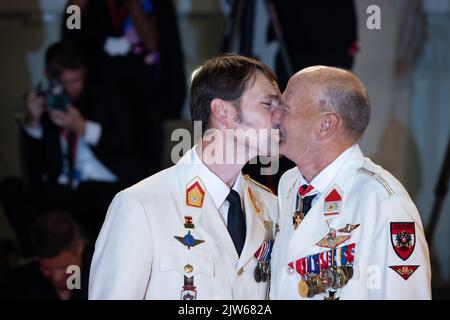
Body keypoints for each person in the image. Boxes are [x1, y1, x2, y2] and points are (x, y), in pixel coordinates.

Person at [89, 55, 280, 300]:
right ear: (223, 111)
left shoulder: (271, 207)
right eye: (268, 104)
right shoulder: (141, 205)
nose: (280, 117)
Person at [270, 66, 431, 300]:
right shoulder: (289, 184)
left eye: (285, 108)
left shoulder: (384, 202)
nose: (274, 116)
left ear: (326, 125)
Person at [9, 40, 158, 238]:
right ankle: (46, 258)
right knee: (12, 190)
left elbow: (130, 145)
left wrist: (83, 127)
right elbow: (34, 172)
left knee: (96, 200)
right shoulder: (44, 103)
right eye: (63, 82)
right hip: (64, 188)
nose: (69, 89)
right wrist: (33, 124)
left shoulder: (107, 97)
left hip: (105, 183)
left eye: (75, 81)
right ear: (49, 76)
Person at [1, 211, 92, 300]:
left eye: (64, 267)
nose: (57, 277)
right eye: (47, 269)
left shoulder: (100, 276)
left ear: (80, 248)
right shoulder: (18, 286)